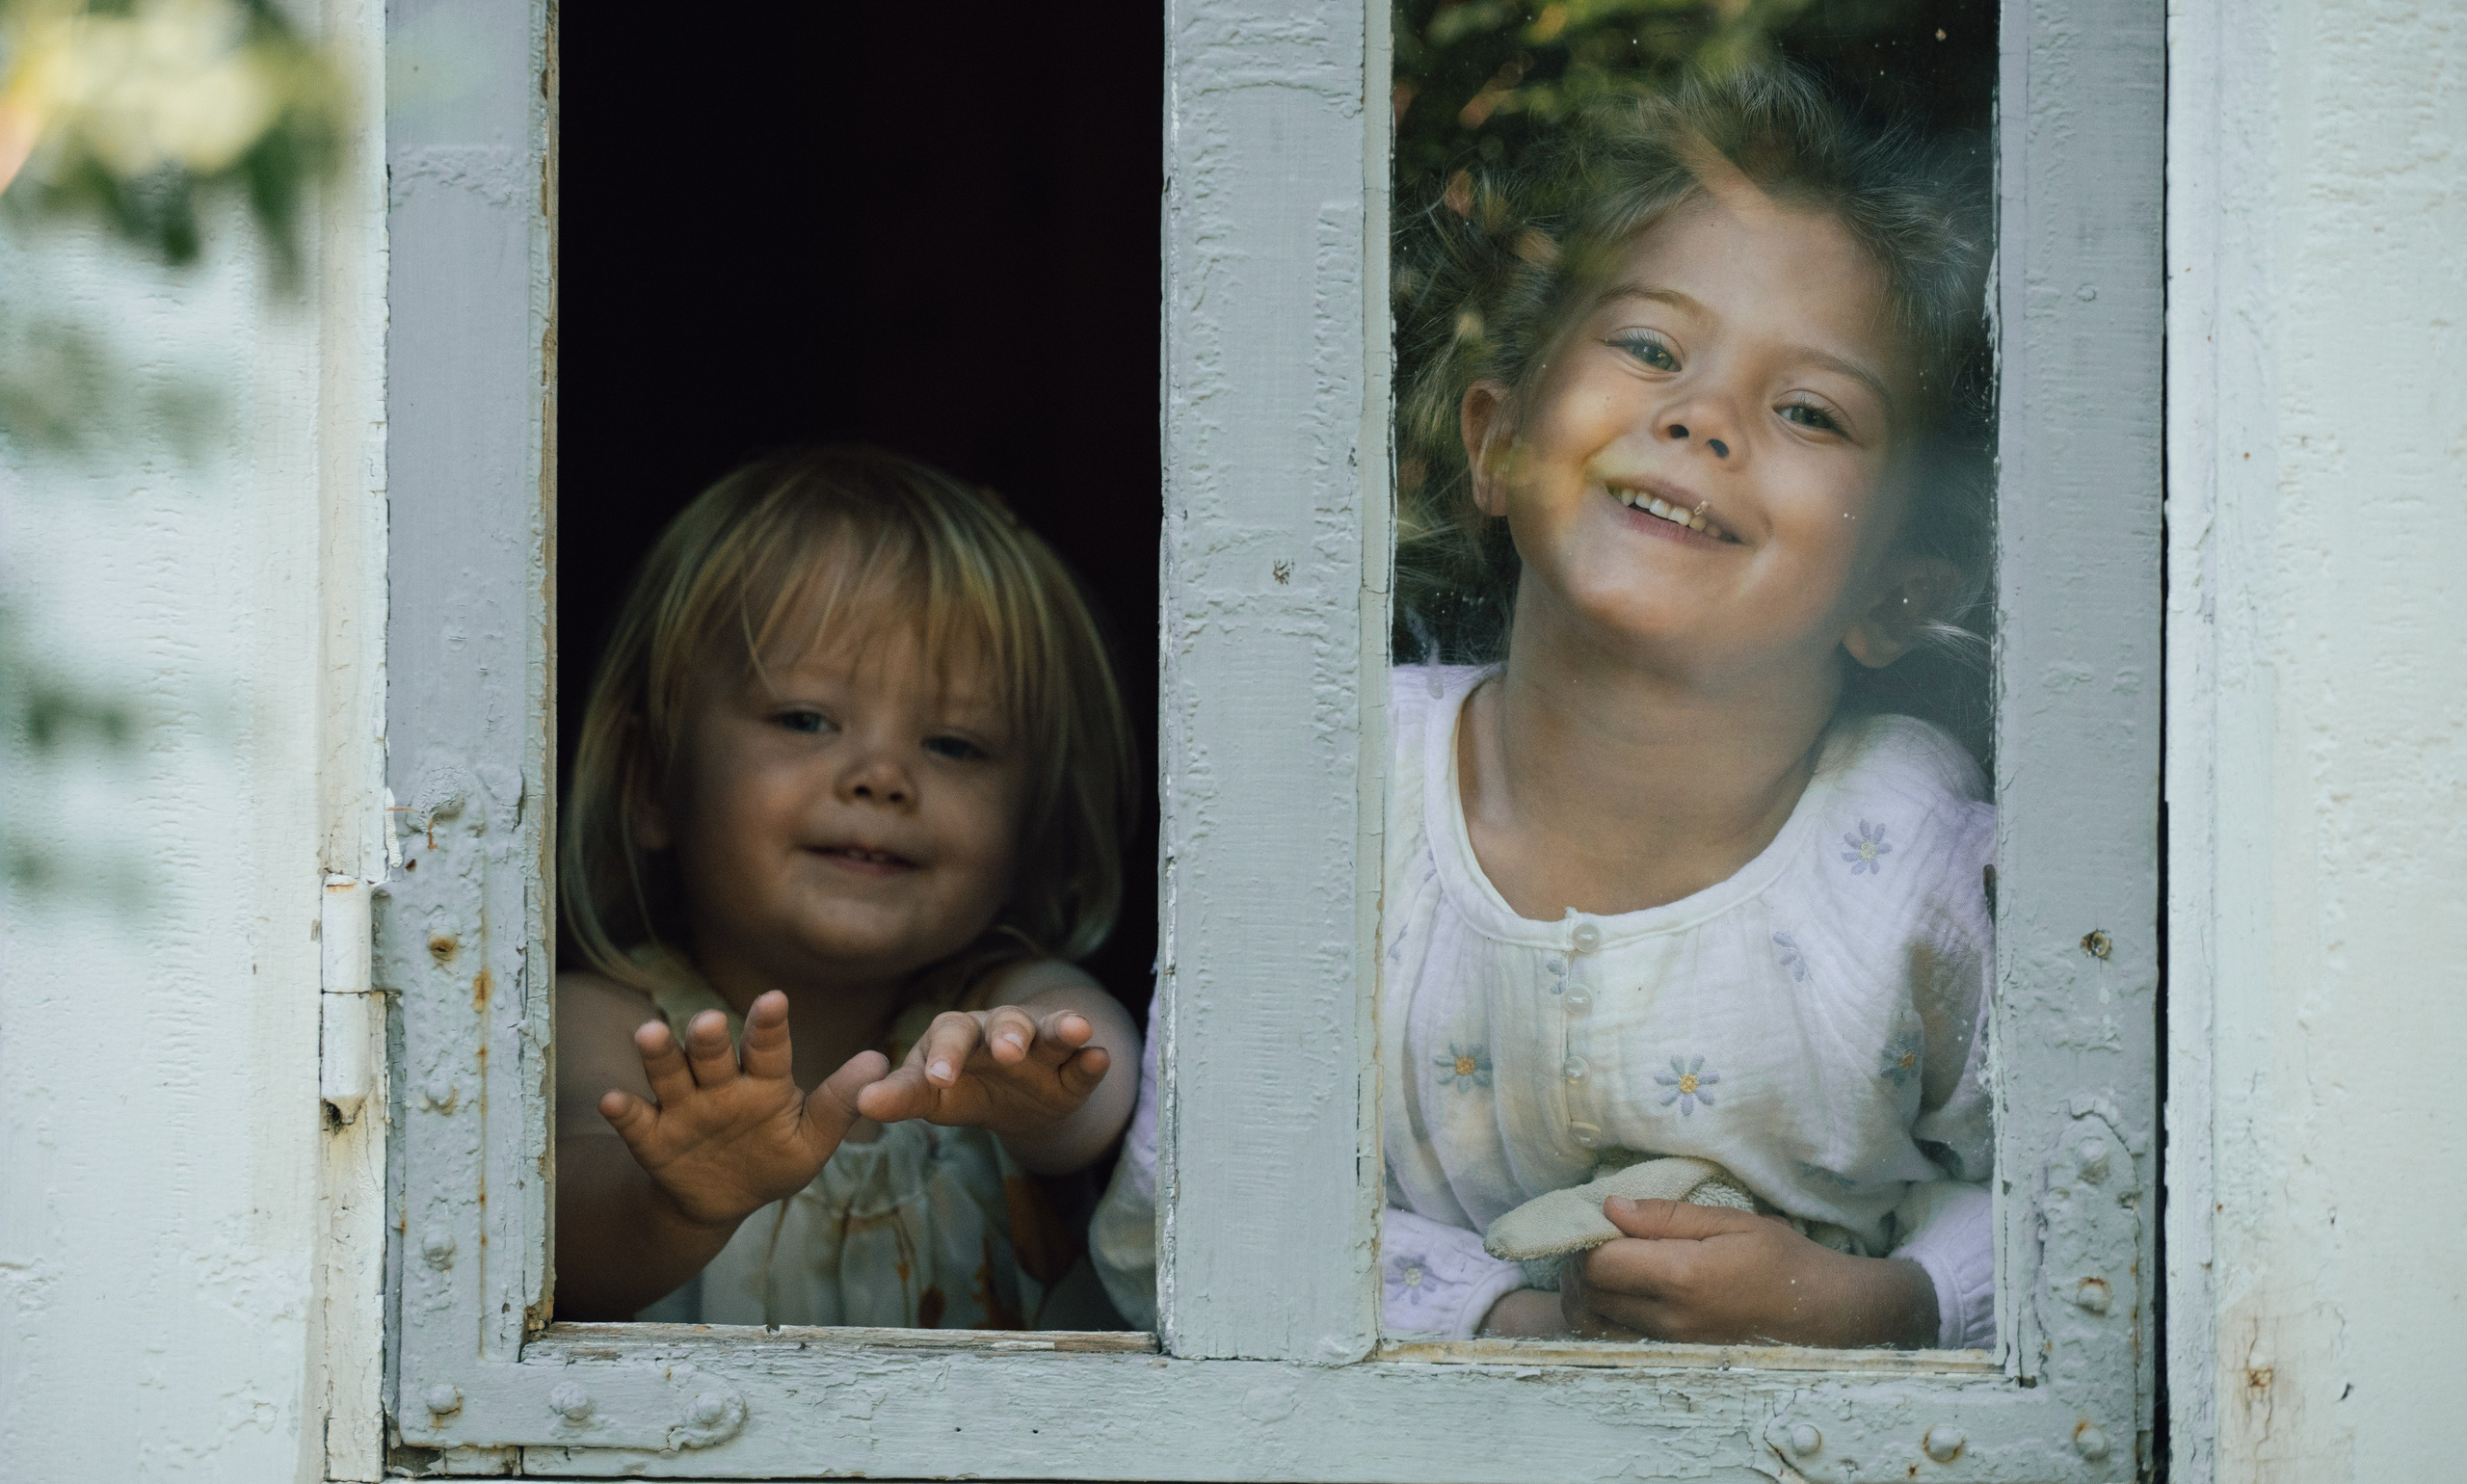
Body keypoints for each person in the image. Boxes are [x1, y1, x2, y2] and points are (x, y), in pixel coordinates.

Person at [1095, 67, 1999, 1349]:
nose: (1703, 418)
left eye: (1810, 410)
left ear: (1898, 596)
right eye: (1648, 347)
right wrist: (1503, 1320)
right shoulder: (1350, 792)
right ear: (1498, 441)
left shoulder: (1914, 863)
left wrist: (1883, 1302)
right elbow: (1170, 1210)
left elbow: (2103, 1204)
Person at [555, 446, 1140, 1330]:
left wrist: (1041, 1087)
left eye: (956, 744)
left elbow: (1103, 1075)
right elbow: (546, 1230)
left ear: (1029, 824)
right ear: (650, 780)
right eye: (804, 718)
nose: (882, 776)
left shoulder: (990, 1011)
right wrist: (670, 1200)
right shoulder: (603, 1024)